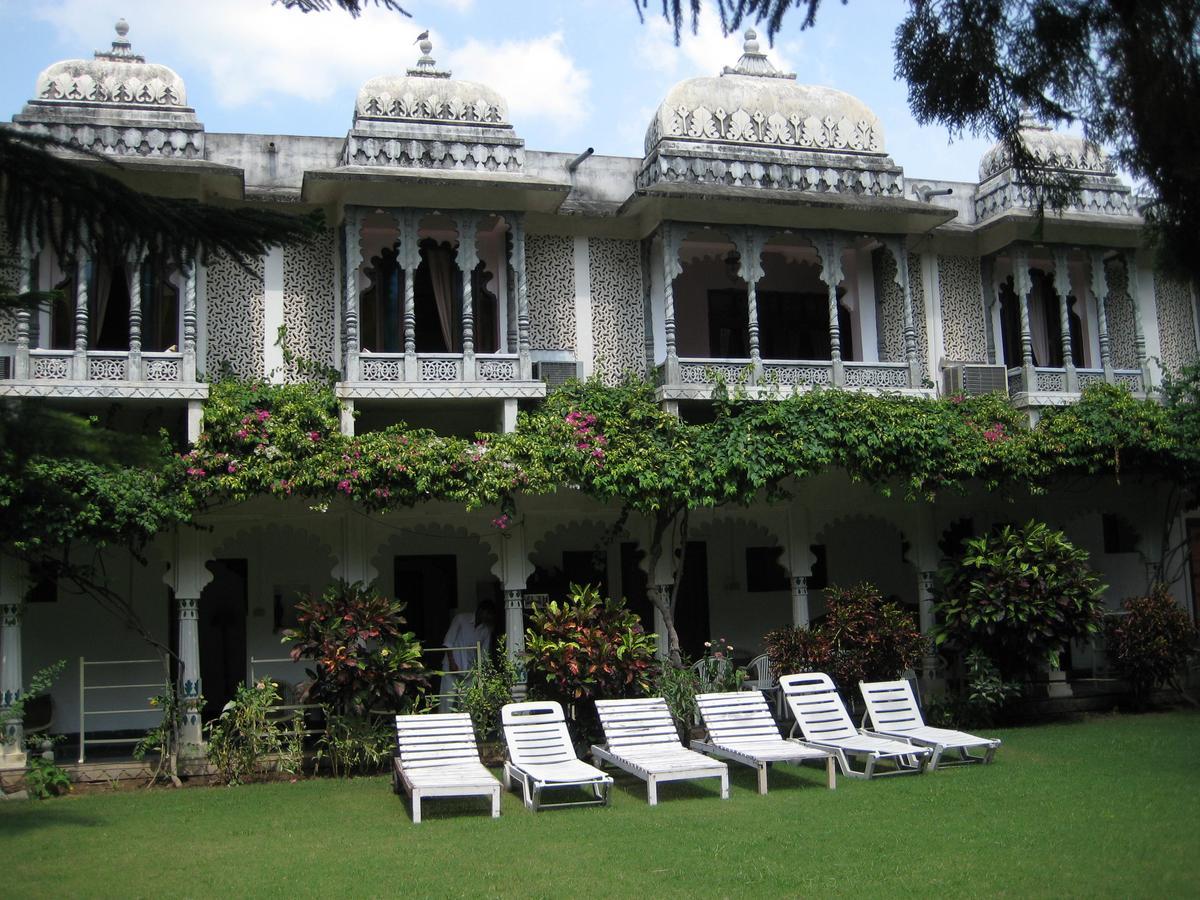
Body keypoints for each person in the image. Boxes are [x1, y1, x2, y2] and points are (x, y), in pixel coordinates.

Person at [438, 600, 496, 711]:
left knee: (467, 703)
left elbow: (484, 654)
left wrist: (481, 673)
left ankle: (466, 725)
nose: (488, 617)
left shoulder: (486, 630)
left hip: (469, 669)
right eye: (487, 614)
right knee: (447, 700)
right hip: (452, 665)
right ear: (481, 611)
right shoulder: (461, 619)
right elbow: (448, 642)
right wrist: (452, 662)